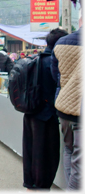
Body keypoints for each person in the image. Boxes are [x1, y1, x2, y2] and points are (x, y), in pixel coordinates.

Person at [22, 28, 68, 190]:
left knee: (30, 151)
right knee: (46, 154)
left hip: (29, 112)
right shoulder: (53, 62)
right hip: (46, 114)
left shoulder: (35, 59)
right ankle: (42, 187)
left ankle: (29, 184)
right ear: (60, 44)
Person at [51, 19, 82, 190]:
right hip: (79, 108)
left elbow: (56, 76)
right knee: (80, 160)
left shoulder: (61, 43)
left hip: (63, 107)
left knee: (69, 150)